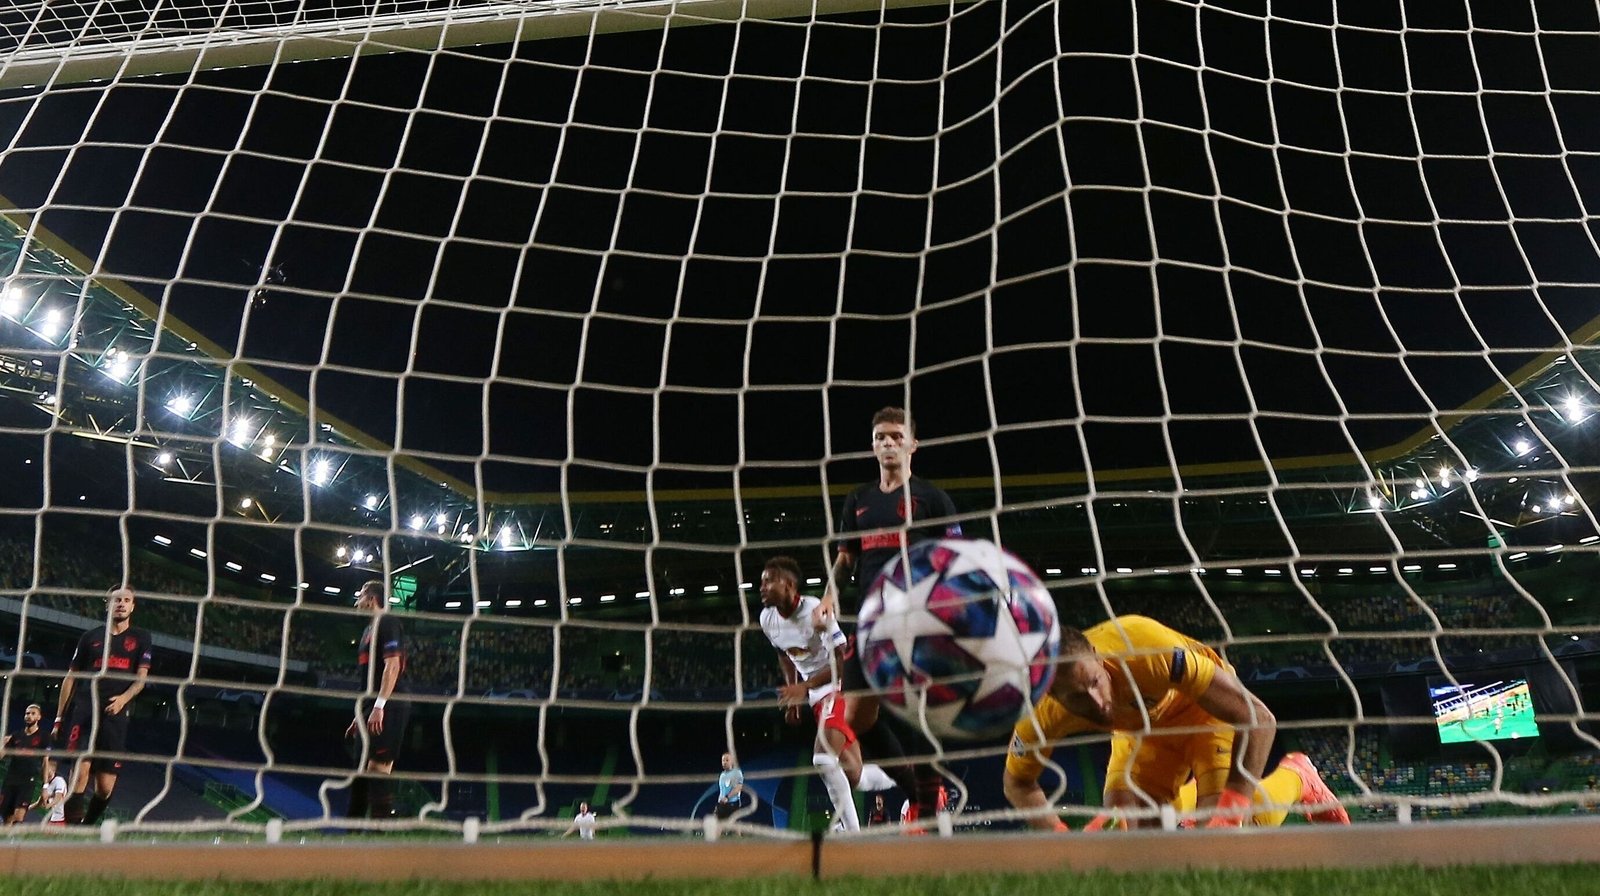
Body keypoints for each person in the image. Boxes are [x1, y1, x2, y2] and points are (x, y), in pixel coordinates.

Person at [1004, 615, 1349, 830]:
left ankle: (1298, 776)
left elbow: (1258, 718)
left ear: (1097, 656)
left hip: (1204, 711)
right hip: (1141, 729)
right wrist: (1059, 838)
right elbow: (1018, 784)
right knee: (1132, 838)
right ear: (1051, 695)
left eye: (1095, 682)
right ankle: (1185, 804)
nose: (1097, 703)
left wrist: (1230, 811)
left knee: (1225, 838)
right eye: (1078, 697)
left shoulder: (1146, 647)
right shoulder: (1038, 714)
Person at [816, 406, 961, 822]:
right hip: (868, 623)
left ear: (913, 444)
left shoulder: (933, 499)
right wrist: (829, 596)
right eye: (881, 437)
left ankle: (927, 808)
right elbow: (845, 560)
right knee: (859, 718)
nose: (889, 443)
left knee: (917, 710)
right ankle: (921, 794)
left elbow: (955, 557)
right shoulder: (858, 499)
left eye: (897, 436)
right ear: (872, 445)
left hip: (916, 622)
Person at [760, 555, 863, 832]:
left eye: (769, 581)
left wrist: (803, 688)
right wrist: (795, 696)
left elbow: (842, 664)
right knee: (853, 774)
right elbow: (784, 653)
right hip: (816, 694)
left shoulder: (815, 610)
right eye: (761, 582)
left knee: (822, 758)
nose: (762, 587)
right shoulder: (767, 619)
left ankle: (853, 833)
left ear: (790, 585)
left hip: (839, 687)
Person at [53, 586, 152, 825]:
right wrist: (59, 718)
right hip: (85, 710)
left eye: (127, 600)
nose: (121, 603)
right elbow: (71, 678)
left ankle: (87, 826)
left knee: (105, 787)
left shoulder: (141, 638)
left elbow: (141, 679)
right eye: (116, 600)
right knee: (80, 773)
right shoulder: (90, 637)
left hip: (115, 716)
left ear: (132, 606)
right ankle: (74, 833)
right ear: (107, 604)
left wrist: (122, 700)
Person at [345, 579, 410, 820]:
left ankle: (380, 832)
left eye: (360, 595)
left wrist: (379, 705)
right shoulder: (367, 630)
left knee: (378, 769)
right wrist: (360, 713)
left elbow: (392, 666)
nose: (357, 601)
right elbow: (368, 678)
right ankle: (351, 833)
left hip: (391, 705)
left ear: (371, 598)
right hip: (370, 707)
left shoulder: (388, 622)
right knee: (360, 771)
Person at [0, 704, 49, 824]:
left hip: (28, 781)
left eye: (33, 713)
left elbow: (45, 761)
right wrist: (2, 744)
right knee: (7, 817)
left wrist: (45, 786)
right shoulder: (16, 735)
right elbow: (2, 754)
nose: (29, 716)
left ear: (39, 717)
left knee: (19, 816)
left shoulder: (44, 737)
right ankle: (7, 841)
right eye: (27, 713)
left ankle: (15, 841)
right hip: (11, 779)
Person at [36, 756, 66, 827]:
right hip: (52, 819)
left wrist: (49, 805)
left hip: (59, 820)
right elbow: (38, 803)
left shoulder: (59, 780)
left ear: (53, 770)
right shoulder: (46, 786)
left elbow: (58, 797)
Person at [715, 752, 743, 823]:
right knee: (717, 825)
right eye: (723, 760)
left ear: (732, 761)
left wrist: (727, 797)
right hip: (722, 804)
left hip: (733, 804)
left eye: (727, 760)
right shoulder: (722, 775)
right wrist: (719, 802)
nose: (724, 762)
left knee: (736, 828)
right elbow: (722, 790)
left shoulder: (737, 773)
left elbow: (738, 788)